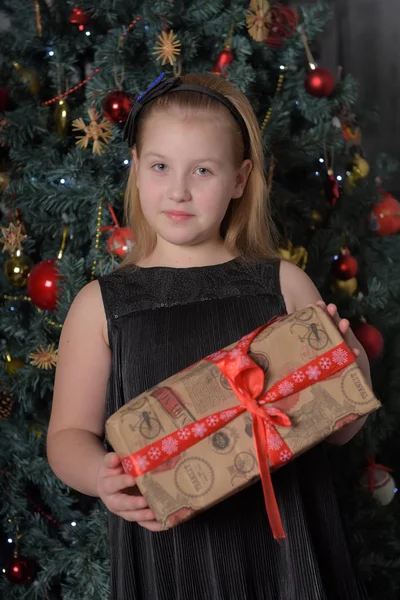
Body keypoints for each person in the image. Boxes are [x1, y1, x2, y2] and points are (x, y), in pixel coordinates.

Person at [47, 72, 371, 600]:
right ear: (136, 171)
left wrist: (351, 365)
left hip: (283, 540)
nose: (178, 190)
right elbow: (67, 436)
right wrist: (100, 477)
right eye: (159, 167)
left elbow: (337, 428)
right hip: (170, 550)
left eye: (203, 170)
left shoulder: (283, 284)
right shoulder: (100, 305)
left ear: (240, 179)